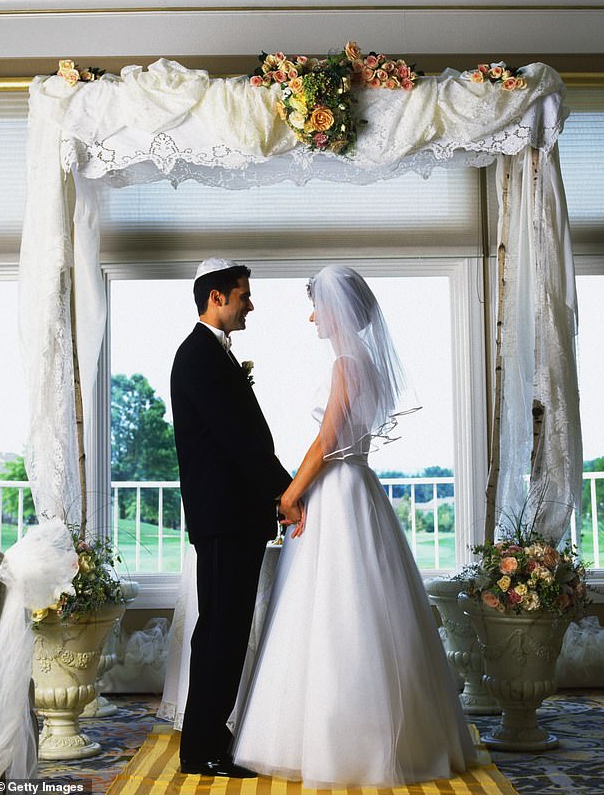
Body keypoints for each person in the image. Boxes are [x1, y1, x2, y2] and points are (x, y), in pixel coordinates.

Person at [229, 264, 478, 787]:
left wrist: (290, 495)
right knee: (359, 607)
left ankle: (342, 743)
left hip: (339, 488)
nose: (312, 314)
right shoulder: (364, 361)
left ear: (338, 310)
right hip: (358, 487)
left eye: (317, 304)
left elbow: (326, 442)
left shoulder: (347, 363)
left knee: (338, 610)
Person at [170, 257, 292, 778]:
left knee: (223, 628)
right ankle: (203, 749)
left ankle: (209, 738)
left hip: (229, 517)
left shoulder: (208, 354)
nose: (250, 304)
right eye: (244, 295)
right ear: (216, 297)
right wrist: (286, 492)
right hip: (224, 518)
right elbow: (239, 441)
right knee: (222, 629)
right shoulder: (199, 355)